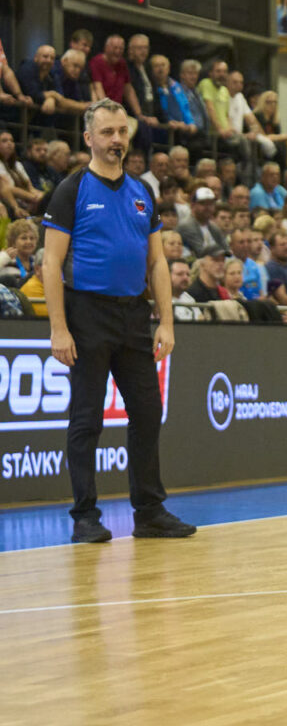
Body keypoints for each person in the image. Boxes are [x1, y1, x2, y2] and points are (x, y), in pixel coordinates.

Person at [41, 99, 196, 543]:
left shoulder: (141, 191)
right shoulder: (71, 190)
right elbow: (51, 263)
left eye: (122, 132)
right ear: (88, 138)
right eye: (107, 132)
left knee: (147, 412)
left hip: (133, 315)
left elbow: (158, 263)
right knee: (87, 418)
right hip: (86, 313)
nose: (116, 140)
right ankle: (85, 516)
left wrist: (166, 322)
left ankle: (149, 511)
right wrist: (58, 328)